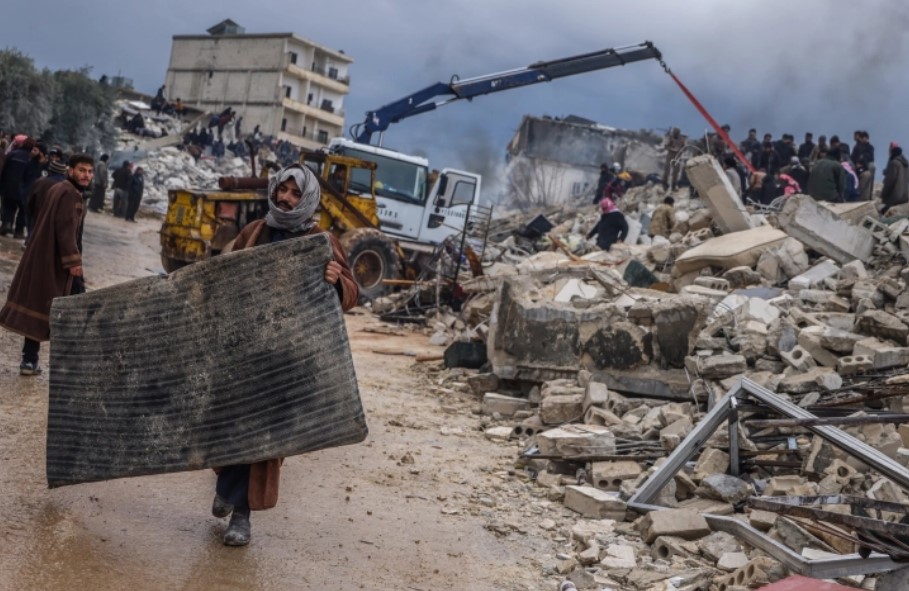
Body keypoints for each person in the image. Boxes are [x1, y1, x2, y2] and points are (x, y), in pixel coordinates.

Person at [211, 163, 358, 546]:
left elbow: (353, 295)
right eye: (282, 190)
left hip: (285, 360)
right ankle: (226, 486)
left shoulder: (320, 240)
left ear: (307, 198)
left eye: (295, 193)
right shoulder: (255, 231)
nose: (285, 198)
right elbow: (221, 279)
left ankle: (241, 515)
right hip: (245, 352)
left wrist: (335, 280)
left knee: (264, 440)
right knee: (231, 425)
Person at [0, 154, 93, 375]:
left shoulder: (60, 189)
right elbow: (65, 229)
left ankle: (30, 361)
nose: (86, 175)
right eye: (82, 170)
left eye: (89, 172)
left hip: (44, 257)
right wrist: (73, 261)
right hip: (57, 263)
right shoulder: (70, 194)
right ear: (70, 170)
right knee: (72, 309)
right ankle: (68, 364)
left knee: (40, 307)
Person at [25, 157, 68, 241]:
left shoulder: (40, 182)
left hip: (38, 215)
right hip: (56, 221)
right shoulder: (67, 187)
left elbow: (30, 201)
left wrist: (31, 213)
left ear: (50, 170)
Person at [0, 137, 33, 237]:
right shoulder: (31, 158)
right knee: (22, 211)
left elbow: (4, 169)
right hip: (24, 189)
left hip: (9, 186)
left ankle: (6, 224)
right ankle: (19, 231)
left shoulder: (13, 154)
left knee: (9, 207)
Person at [879, 142, 909, 216]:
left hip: (895, 197)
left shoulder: (894, 163)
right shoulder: (906, 165)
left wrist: (883, 196)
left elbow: (889, 182)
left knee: (880, 212)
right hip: (905, 196)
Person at [851, 131, 875, 202]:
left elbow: (871, 158)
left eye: (865, 138)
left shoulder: (870, 147)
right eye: (862, 138)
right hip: (858, 166)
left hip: (866, 165)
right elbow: (853, 157)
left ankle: (868, 195)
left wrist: (863, 159)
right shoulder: (857, 147)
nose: (863, 139)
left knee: (870, 170)